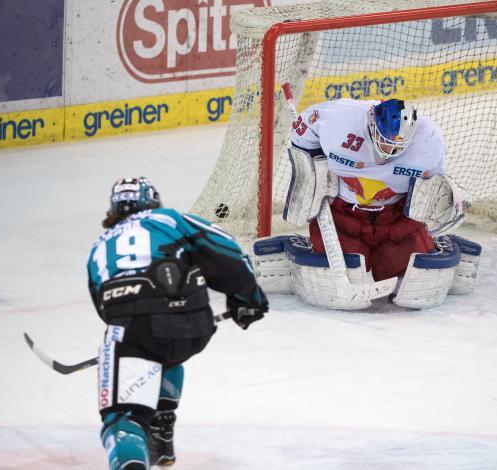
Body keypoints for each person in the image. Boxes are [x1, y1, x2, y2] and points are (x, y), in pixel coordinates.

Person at [87, 177, 268, 469]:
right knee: (162, 353)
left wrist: (124, 345)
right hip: (193, 324)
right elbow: (226, 251)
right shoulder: (169, 219)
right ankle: (160, 425)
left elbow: (105, 307)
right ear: (152, 200)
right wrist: (248, 298)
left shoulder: (99, 247)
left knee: (121, 420)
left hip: (137, 326)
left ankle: (137, 429)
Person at [289, 98, 447, 282]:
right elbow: (301, 136)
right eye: (385, 141)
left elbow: (436, 187)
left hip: (397, 218)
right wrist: (315, 171)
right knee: (334, 271)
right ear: (372, 124)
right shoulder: (338, 118)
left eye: (397, 146)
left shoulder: (430, 140)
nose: (389, 150)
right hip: (343, 214)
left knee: (413, 274)